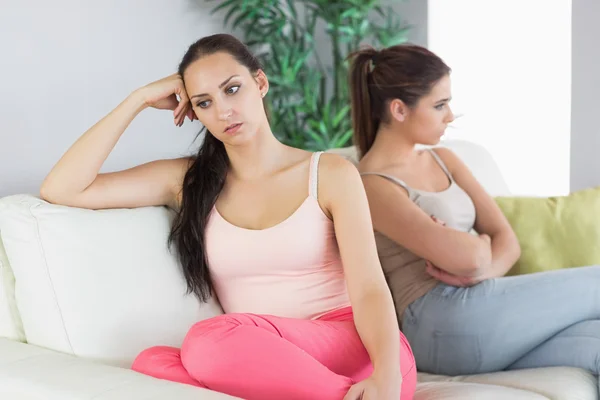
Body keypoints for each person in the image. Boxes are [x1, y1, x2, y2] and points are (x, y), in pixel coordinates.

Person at [40, 34, 417, 400]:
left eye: (232, 89)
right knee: (152, 362)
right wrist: (137, 100)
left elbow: (369, 289)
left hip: (357, 348)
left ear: (260, 82)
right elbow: (64, 188)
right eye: (203, 103)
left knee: (207, 342)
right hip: (263, 358)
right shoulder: (188, 181)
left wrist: (387, 375)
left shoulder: (331, 173)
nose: (222, 111)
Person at [348, 43, 600, 388]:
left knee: (595, 344)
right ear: (399, 110)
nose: (450, 115)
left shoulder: (445, 159)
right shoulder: (372, 184)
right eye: (439, 105)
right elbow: (467, 257)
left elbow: (506, 242)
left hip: (481, 302)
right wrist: (477, 251)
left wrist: (481, 268)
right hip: (437, 322)